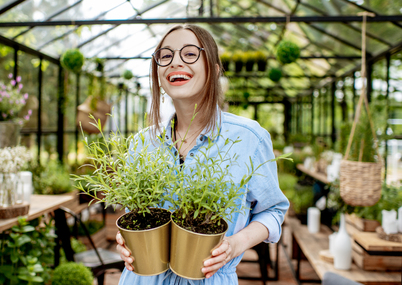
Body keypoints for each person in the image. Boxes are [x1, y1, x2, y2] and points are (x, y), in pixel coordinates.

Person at [116, 24, 289, 285]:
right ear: (158, 73)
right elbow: (134, 215)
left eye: (189, 54)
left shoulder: (248, 138)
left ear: (214, 69)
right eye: (165, 55)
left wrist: (234, 244)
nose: (175, 62)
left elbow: (273, 210)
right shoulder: (142, 144)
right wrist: (125, 243)